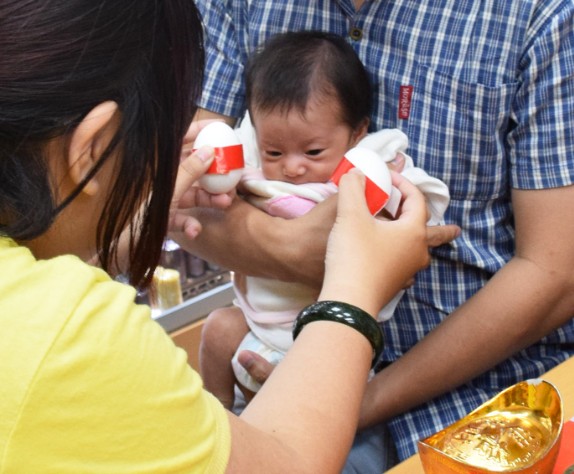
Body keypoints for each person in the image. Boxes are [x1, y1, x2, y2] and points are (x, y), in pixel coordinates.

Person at [0, 1, 433, 472]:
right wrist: (354, 289)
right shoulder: (70, 335)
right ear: (94, 146)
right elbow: (288, 464)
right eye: (160, 141)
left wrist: (116, 237)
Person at [181, 1, 574, 472]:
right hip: (283, 365)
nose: (294, 166)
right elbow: (182, 195)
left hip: (478, 396)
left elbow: (555, 274)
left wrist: (348, 402)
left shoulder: (538, 16)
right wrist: (294, 248)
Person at [199, 31, 450, 410]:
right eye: (275, 151)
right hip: (257, 321)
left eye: (313, 151)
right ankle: (218, 412)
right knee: (216, 329)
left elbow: (419, 196)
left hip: (329, 331)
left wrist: (401, 204)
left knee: (294, 412)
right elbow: (211, 178)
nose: (293, 166)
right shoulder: (251, 150)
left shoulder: (371, 160)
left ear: (357, 131)